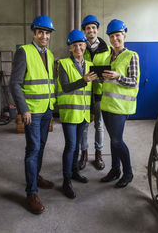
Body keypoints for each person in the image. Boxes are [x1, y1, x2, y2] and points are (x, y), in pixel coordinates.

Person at [9, 15, 56, 214]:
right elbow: (14, 83)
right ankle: (31, 192)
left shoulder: (50, 55)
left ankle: (35, 176)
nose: (44, 36)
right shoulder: (24, 52)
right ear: (34, 33)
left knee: (42, 146)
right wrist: (24, 109)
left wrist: (51, 107)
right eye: (40, 32)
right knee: (33, 149)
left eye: (47, 33)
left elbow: (48, 83)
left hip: (46, 109)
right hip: (32, 112)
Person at [57, 29, 97, 199]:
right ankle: (66, 181)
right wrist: (84, 80)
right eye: (75, 45)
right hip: (70, 113)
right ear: (70, 48)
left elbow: (92, 89)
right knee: (70, 146)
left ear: (85, 46)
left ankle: (74, 172)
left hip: (84, 113)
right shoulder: (63, 64)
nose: (79, 48)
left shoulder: (89, 64)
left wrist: (93, 110)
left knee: (79, 146)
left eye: (81, 45)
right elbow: (66, 87)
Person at [100, 19, 140, 188]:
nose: (115, 39)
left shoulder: (131, 55)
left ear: (124, 35)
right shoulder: (110, 56)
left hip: (120, 107)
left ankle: (128, 172)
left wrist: (118, 76)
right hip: (107, 105)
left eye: (118, 35)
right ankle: (115, 169)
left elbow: (134, 82)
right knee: (112, 140)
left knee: (117, 141)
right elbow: (109, 82)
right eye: (112, 36)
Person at [78, 15, 110, 170]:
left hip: (99, 93)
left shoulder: (107, 49)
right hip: (84, 93)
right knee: (84, 125)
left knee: (99, 125)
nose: (90, 30)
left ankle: (98, 154)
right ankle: (84, 154)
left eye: (93, 27)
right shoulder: (80, 47)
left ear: (97, 29)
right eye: (87, 28)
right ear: (84, 31)